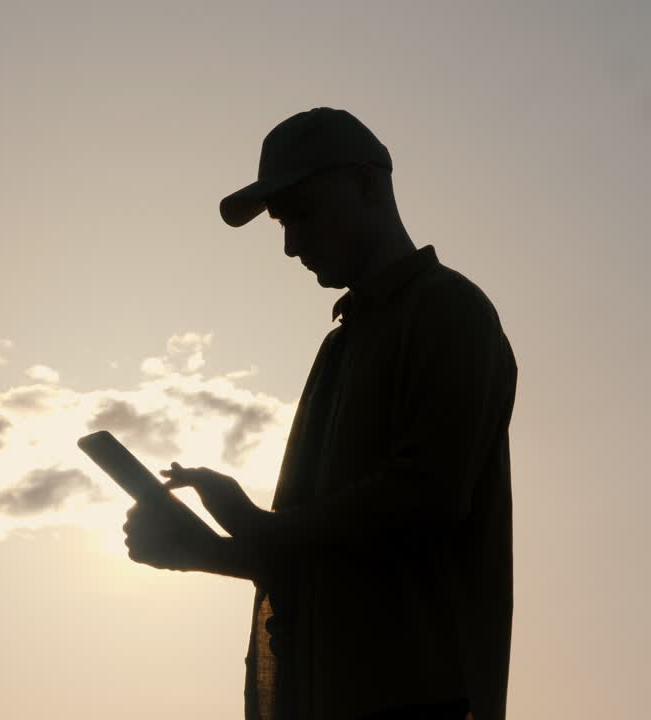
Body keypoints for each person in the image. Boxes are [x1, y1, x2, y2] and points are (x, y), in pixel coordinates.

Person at [121, 107, 517, 720]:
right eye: (282, 223)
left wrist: (258, 525)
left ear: (367, 184)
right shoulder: (341, 345)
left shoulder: (448, 310)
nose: (290, 244)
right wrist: (199, 548)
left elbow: (427, 499)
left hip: (422, 697)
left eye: (303, 213)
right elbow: (332, 558)